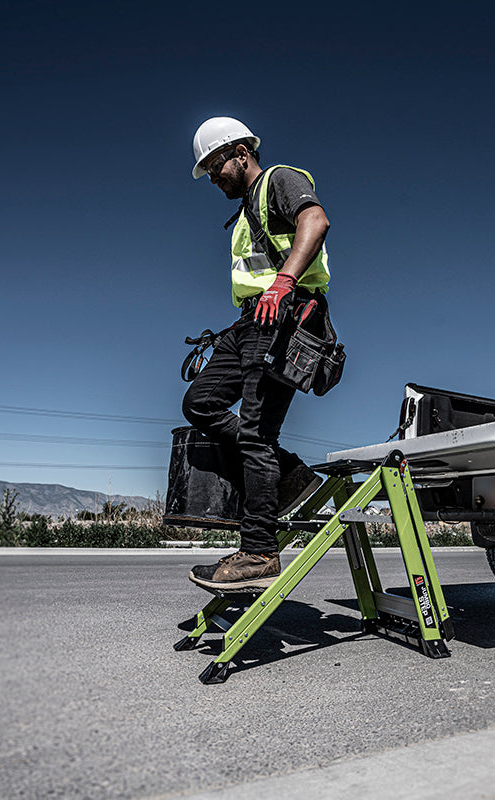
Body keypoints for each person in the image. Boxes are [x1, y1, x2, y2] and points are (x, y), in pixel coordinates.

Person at [183, 116, 330, 592]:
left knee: (256, 433)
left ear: (240, 153)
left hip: (286, 315)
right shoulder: (245, 209)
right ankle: (287, 473)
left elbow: (316, 220)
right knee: (199, 403)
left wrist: (284, 282)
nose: (213, 178)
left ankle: (260, 551)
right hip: (251, 320)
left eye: (214, 167)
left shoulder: (279, 181)